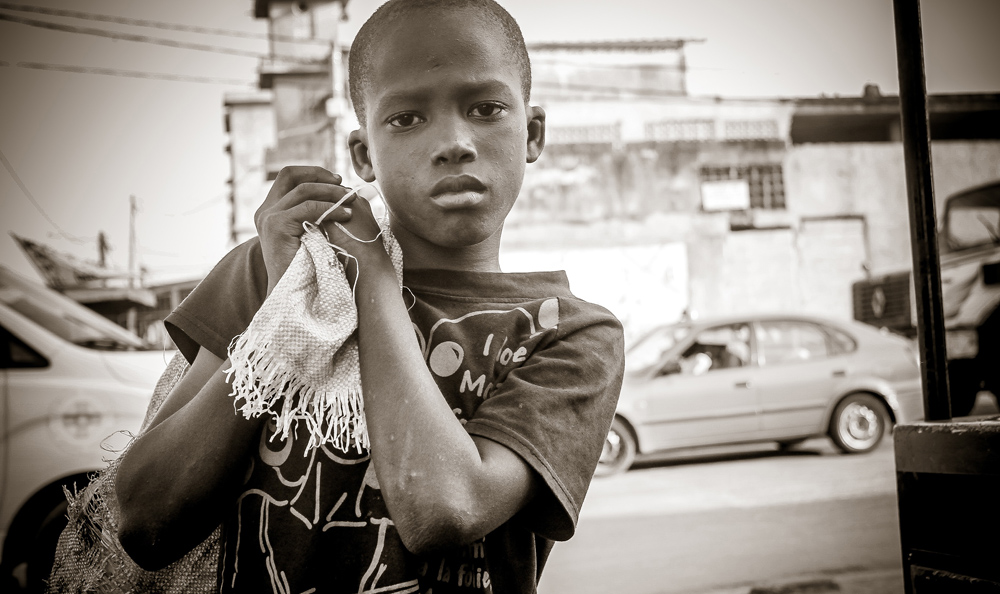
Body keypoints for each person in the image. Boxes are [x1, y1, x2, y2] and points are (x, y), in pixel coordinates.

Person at [114, 0, 625, 592]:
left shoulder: (571, 334)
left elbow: (443, 511)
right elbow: (143, 522)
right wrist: (281, 325)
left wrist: (375, 280)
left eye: (486, 108)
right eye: (407, 119)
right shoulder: (273, 275)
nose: (454, 142)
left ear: (531, 131)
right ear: (363, 156)